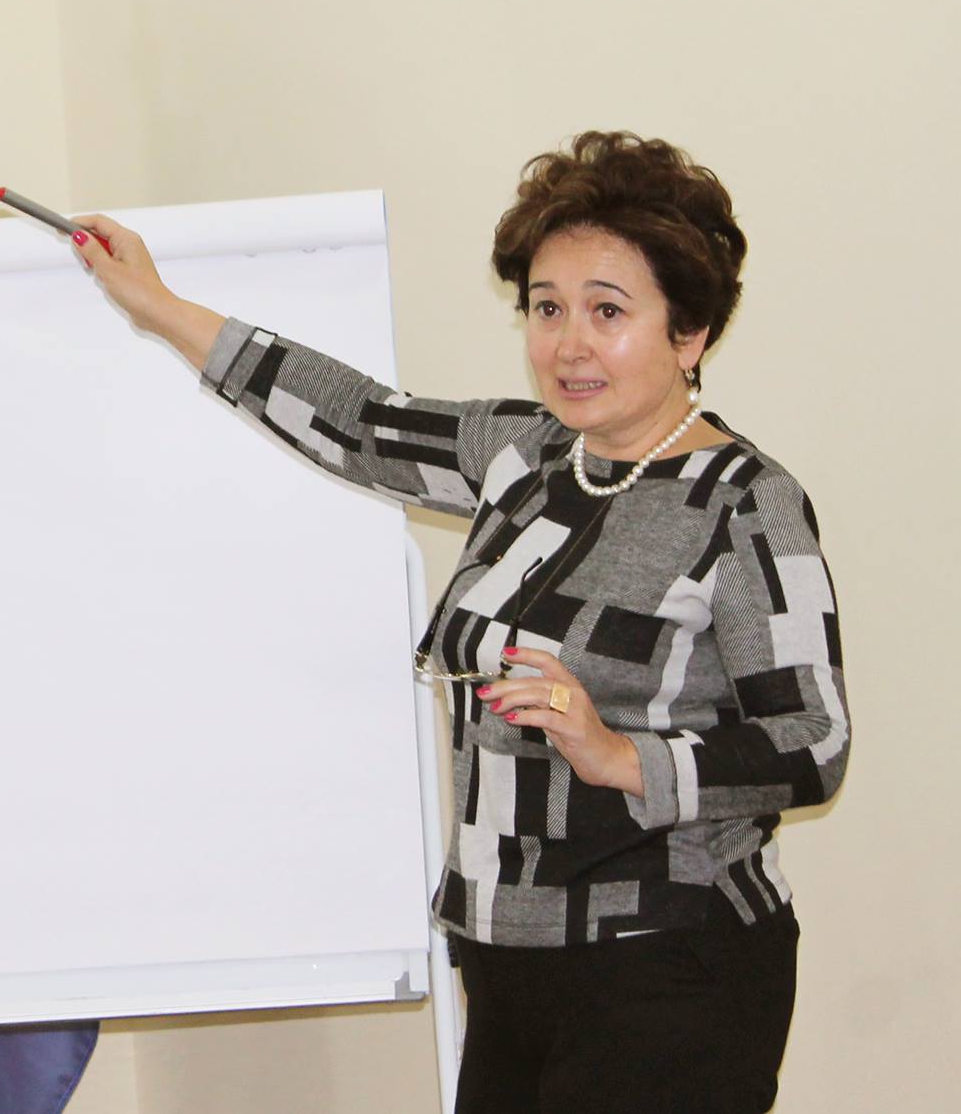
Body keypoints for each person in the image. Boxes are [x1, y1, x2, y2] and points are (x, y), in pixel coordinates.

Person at [71, 131, 847, 1114]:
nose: (568, 343)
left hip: (668, 960)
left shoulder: (743, 502)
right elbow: (358, 421)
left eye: (607, 311)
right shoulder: (525, 455)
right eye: (546, 308)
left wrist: (620, 756)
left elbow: (811, 741)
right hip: (508, 956)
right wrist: (159, 306)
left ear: (687, 334)